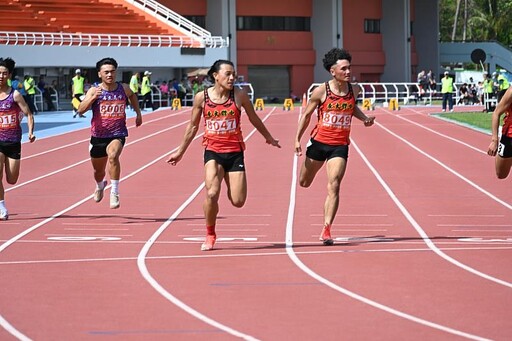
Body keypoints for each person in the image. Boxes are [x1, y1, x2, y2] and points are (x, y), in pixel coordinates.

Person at [167, 59, 281, 251]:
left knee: (238, 201)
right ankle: (210, 233)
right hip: (212, 151)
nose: (232, 78)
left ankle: (230, 181)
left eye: (233, 74)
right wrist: (180, 151)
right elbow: (193, 126)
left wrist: (268, 137)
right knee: (211, 194)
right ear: (215, 76)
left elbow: (254, 118)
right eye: (227, 74)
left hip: (235, 152)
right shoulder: (201, 98)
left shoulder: (239, 96)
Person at [294, 48, 375, 246]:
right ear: (333, 71)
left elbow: (351, 106)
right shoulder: (321, 91)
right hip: (319, 142)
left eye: (349, 68)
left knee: (335, 184)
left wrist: (363, 118)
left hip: (340, 144)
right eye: (344, 69)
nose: (348, 72)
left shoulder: (354, 89)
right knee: (304, 182)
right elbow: (306, 115)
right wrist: (297, 139)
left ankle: (326, 229)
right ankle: (326, 225)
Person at [76, 57, 143, 209]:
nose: (109, 75)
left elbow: (132, 95)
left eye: (112, 72)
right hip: (98, 136)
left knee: (113, 156)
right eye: (106, 72)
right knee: (98, 172)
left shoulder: (123, 88)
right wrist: (93, 97)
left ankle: (114, 192)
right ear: (99, 74)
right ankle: (100, 185)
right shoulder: (94, 90)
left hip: (117, 133)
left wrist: (138, 113)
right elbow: (80, 110)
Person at [0, 57, 36, 220]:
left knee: (12, 179)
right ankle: (1, 207)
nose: (1, 76)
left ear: (9, 75)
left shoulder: (14, 95)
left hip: (13, 141)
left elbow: (28, 114)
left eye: (4, 73)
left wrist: (30, 132)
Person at [487, 86, 512, 179]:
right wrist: (494, 140)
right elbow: (496, 113)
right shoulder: (511, 91)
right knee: (501, 174)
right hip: (509, 136)